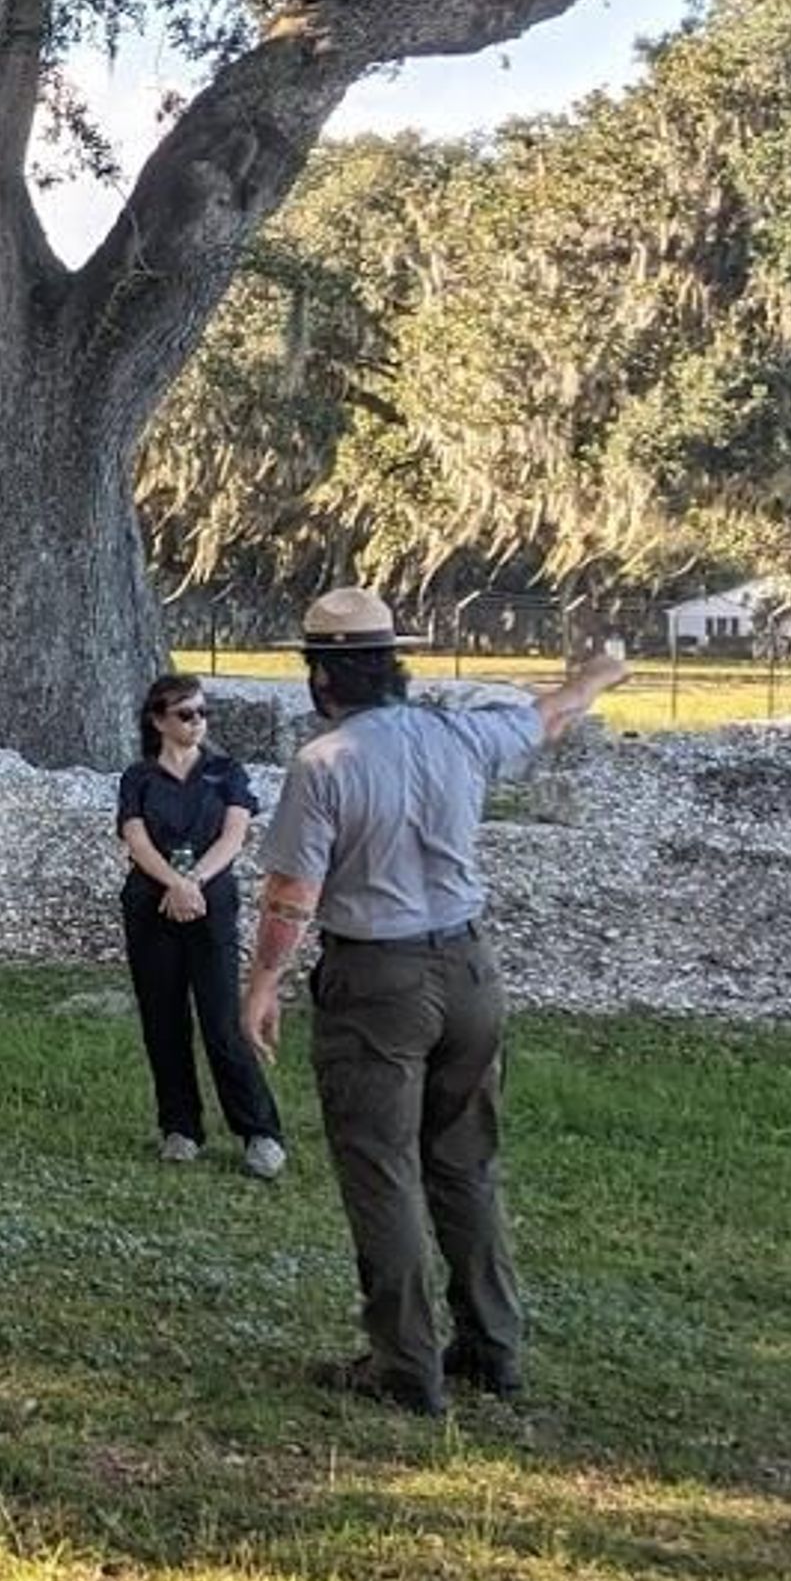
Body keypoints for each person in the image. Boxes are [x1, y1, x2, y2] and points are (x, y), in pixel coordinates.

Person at [243, 587, 632, 1415]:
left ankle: (404, 1363)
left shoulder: (325, 765)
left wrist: (264, 982)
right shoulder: (458, 735)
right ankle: (493, 1346)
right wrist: (601, 673)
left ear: (321, 680)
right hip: (468, 967)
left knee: (382, 1171)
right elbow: (552, 716)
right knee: (466, 1163)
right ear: (396, 664)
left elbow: (291, 895)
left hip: (377, 978)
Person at [113, 674, 284, 1178]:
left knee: (222, 1020)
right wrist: (171, 883)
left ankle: (259, 1131)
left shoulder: (224, 772)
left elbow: (236, 834)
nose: (197, 723)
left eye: (203, 713)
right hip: (152, 904)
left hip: (211, 903)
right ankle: (180, 1127)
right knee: (163, 1019)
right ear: (159, 720)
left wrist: (194, 882)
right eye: (186, 715)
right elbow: (136, 838)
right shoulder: (139, 777)